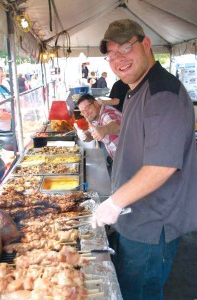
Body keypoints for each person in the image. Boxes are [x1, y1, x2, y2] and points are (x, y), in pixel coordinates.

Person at [92, 19, 197, 300]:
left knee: (139, 293)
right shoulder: (136, 89)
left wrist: (115, 202)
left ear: (146, 44)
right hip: (136, 218)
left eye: (126, 48)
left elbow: (162, 165)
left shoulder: (162, 93)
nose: (118, 59)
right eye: (111, 54)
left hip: (151, 226)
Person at [74, 93, 121, 160]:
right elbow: (92, 133)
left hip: (131, 158)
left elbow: (117, 125)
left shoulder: (107, 114)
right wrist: (84, 136)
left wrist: (104, 129)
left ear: (96, 104)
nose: (86, 113)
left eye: (87, 108)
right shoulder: (94, 117)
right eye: (83, 112)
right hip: (118, 158)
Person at [0, 66, 12, 132]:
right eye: (1, 76)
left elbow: (10, 97)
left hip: (11, 126)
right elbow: (0, 114)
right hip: (2, 130)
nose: (2, 78)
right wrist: (15, 116)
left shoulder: (2, 87)